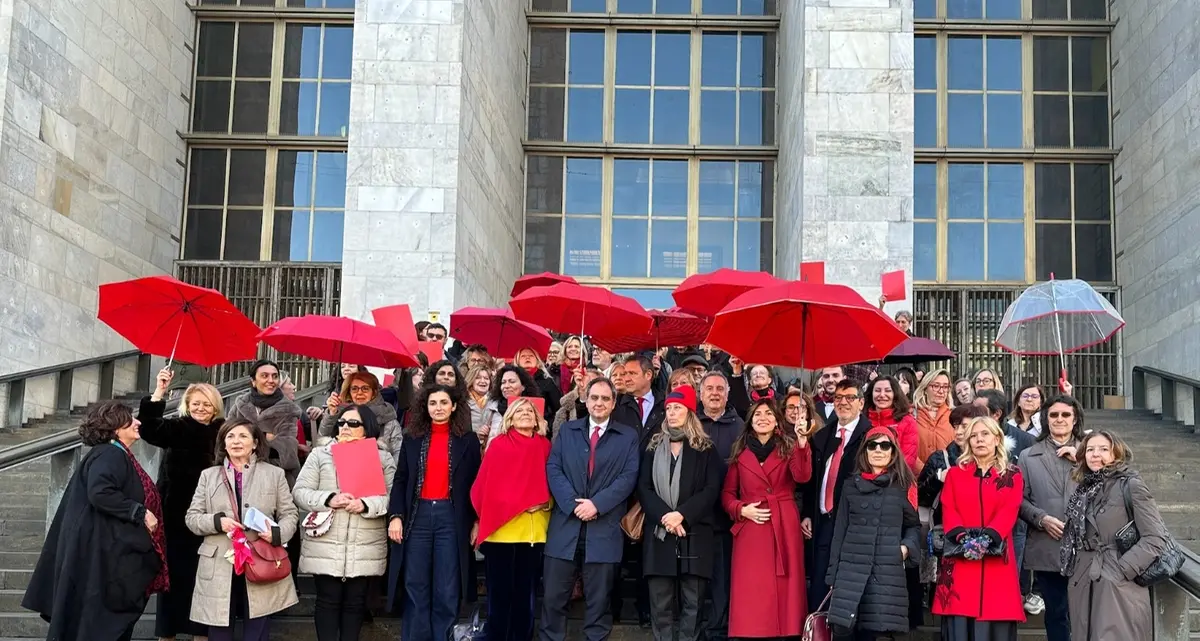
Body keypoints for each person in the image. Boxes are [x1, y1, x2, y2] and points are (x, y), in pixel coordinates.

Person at [24, 402, 168, 641]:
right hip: (100, 562)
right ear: (114, 427)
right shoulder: (110, 453)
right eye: (130, 419)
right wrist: (139, 512)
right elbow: (100, 492)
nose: (137, 422)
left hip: (101, 556)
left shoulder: (113, 452)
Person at [540, 377, 641, 641]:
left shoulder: (628, 436)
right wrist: (574, 504)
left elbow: (628, 477)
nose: (599, 403)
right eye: (594, 397)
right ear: (585, 399)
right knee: (553, 598)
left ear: (613, 403)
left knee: (599, 603)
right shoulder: (568, 431)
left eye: (605, 398)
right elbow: (553, 468)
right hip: (565, 527)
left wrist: (597, 504)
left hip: (604, 528)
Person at [185, 419, 300, 641]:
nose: (236, 441)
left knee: (257, 629)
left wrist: (276, 534)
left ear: (255, 443)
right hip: (220, 561)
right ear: (223, 444)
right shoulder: (208, 476)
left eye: (243, 436)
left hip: (260, 558)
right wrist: (218, 522)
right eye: (230, 437)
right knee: (219, 630)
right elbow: (192, 518)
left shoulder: (273, 474)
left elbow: (290, 514)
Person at [386, 384, 482, 641]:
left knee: (447, 587)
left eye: (443, 403)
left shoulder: (468, 441)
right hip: (418, 516)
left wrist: (475, 520)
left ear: (453, 407)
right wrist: (396, 515)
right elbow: (401, 479)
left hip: (451, 518)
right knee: (415, 584)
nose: (438, 408)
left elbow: (476, 483)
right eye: (433, 403)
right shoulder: (412, 438)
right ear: (425, 408)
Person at [293, 405, 396, 641]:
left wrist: (366, 504)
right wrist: (329, 499)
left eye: (353, 423)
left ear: (367, 428)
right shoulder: (320, 454)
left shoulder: (382, 458)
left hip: (365, 544)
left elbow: (393, 498)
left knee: (355, 604)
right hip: (326, 543)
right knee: (327, 602)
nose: (345, 427)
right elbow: (300, 492)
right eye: (341, 423)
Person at [138, 369, 224, 641]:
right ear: (187, 405)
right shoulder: (177, 427)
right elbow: (149, 429)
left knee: (204, 580)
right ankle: (167, 634)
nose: (200, 408)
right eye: (195, 403)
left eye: (206, 404)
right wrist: (159, 391)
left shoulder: (223, 432)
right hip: (174, 514)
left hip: (209, 517)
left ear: (215, 408)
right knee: (172, 579)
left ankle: (201, 633)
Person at [1061, 429, 1169, 641]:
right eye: (1090, 449)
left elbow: (1155, 537)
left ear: (1116, 454)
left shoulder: (1131, 485)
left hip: (1119, 584)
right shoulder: (1082, 489)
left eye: (1103, 449)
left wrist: (1121, 569)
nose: (1095, 454)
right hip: (1083, 579)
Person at [637, 387, 723, 641]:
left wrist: (682, 515)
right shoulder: (653, 447)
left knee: (693, 603)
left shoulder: (705, 449)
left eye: (678, 408)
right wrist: (667, 516)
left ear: (690, 413)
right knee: (660, 604)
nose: (672, 413)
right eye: (669, 409)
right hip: (660, 533)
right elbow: (644, 488)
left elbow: (711, 489)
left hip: (695, 532)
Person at [722, 397, 812, 638]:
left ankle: (787, 629)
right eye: (758, 414)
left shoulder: (791, 446)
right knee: (753, 586)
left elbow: (803, 476)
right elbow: (728, 494)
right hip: (751, 526)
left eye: (768, 414)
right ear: (750, 421)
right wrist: (741, 509)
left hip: (783, 521)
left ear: (777, 421)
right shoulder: (740, 452)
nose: (763, 418)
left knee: (786, 585)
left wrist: (803, 443)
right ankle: (752, 631)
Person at [933, 416, 1025, 641]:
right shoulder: (955, 474)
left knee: (996, 616)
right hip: (960, 558)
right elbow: (949, 508)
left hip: (997, 559)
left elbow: (1009, 509)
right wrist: (964, 539)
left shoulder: (1012, 475)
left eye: (984, 434)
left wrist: (987, 539)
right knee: (959, 619)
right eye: (973, 436)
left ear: (997, 439)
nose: (979, 440)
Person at [826, 425, 922, 641]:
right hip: (850, 573)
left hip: (886, 572)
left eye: (884, 445)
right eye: (873, 445)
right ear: (865, 451)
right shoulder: (850, 486)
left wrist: (906, 548)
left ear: (893, 451)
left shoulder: (904, 486)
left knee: (879, 633)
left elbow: (913, 526)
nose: (878, 450)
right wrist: (833, 575)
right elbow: (839, 531)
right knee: (846, 631)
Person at [471, 398, 553, 641]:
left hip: (533, 530)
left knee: (525, 595)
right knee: (499, 594)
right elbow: (485, 486)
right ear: (510, 418)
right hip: (502, 530)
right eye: (520, 411)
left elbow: (553, 480)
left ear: (538, 419)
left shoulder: (545, 446)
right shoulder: (499, 445)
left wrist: (544, 501)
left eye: (531, 411)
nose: (526, 414)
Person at [1017, 395, 1084, 641]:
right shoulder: (1028, 455)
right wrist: (1041, 518)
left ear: (1075, 419)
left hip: (1086, 547)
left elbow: (1112, 486)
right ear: (1046, 418)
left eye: (1065, 414)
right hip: (1048, 545)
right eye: (1054, 414)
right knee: (1056, 612)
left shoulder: (1093, 451)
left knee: (1085, 612)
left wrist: (1083, 460)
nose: (1059, 419)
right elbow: (1019, 500)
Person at [804, 379, 869, 615]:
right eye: (838, 398)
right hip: (823, 521)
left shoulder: (871, 438)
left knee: (849, 591)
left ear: (861, 403)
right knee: (820, 584)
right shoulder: (822, 436)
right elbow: (811, 480)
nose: (843, 403)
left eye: (850, 397)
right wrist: (806, 514)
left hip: (854, 525)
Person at [696, 371, 742, 641]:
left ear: (727, 393)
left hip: (727, 517)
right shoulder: (691, 423)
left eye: (720, 389)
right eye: (709, 388)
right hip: (695, 515)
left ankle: (717, 629)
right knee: (695, 580)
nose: (714, 393)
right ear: (700, 394)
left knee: (723, 580)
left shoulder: (740, 426)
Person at [226, 359, 303, 485]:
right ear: (253, 381)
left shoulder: (289, 410)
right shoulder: (240, 404)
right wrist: (264, 436)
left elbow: (286, 450)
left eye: (275, 376)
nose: (271, 380)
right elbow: (227, 435)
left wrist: (246, 439)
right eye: (264, 376)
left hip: (275, 477)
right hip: (238, 474)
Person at [317, 371, 404, 457]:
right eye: (354, 388)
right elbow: (322, 441)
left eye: (365, 388)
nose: (359, 392)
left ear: (374, 392)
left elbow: (398, 454)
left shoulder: (388, 418)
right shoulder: (341, 414)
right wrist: (332, 414)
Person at [483, 364, 548, 444]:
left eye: (512, 381)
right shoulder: (492, 407)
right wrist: (482, 435)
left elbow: (540, 435)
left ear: (523, 386)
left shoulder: (533, 407)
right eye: (503, 382)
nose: (506, 386)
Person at [864, 376, 918, 470]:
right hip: (863, 479)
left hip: (895, 479)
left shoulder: (907, 421)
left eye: (888, 391)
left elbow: (908, 459)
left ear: (895, 394)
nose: (882, 395)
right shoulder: (862, 419)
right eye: (877, 390)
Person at [912, 368, 954, 474]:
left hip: (947, 479)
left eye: (945, 387)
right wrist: (925, 472)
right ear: (925, 389)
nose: (941, 391)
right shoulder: (911, 414)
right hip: (917, 479)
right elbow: (906, 449)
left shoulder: (955, 416)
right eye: (936, 386)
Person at [553, 365, 601, 437]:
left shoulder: (607, 408)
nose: (588, 385)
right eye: (585, 380)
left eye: (593, 382)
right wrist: (583, 390)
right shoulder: (565, 411)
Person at [465, 363, 494, 437]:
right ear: (471, 380)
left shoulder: (495, 402)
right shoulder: (463, 401)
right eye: (478, 378)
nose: (483, 381)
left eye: (486, 378)